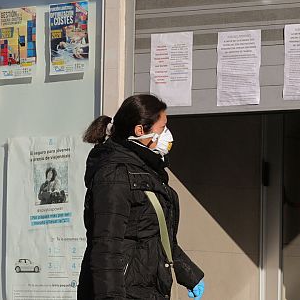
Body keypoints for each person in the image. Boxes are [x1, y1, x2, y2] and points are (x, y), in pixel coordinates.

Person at [78, 94, 205, 299]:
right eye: (162, 128)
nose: (167, 134)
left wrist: (189, 274)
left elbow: (157, 235)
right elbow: (106, 247)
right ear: (140, 131)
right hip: (125, 292)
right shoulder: (115, 174)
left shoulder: (145, 169)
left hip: (146, 289)